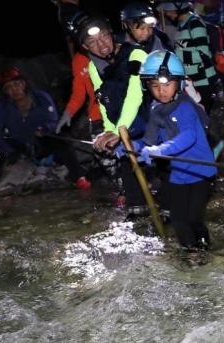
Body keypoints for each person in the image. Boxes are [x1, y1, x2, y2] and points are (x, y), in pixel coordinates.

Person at [136, 50, 217, 250]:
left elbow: (188, 137)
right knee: (178, 219)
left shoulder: (185, 107)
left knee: (193, 218)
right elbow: (149, 140)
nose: (161, 91)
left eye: (166, 84)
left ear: (179, 83)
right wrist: (130, 147)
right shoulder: (156, 110)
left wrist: (162, 150)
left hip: (200, 173)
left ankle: (204, 249)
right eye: (154, 86)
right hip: (178, 174)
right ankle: (190, 253)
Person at [78, 15, 151, 214]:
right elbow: (104, 101)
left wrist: (119, 131)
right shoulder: (95, 67)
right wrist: (109, 132)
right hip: (126, 129)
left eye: (103, 36)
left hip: (152, 126)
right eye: (92, 42)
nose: (100, 44)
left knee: (168, 180)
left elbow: (135, 95)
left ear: (112, 34)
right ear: (85, 47)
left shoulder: (136, 54)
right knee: (131, 185)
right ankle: (139, 214)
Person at [0, 66, 90, 189]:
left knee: (63, 141)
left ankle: (79, 177)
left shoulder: (41, 98)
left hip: (41, 142)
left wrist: (45, 128)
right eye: (9, 87)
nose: (14, 89)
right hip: (19, 146)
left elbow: (53, 121)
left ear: (24, 83)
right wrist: (9, 151)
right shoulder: (1, 106)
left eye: (17, 84)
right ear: (5, 91)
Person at [157, 1, 218, 114]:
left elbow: (203, 54)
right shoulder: (182, 25)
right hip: (191, 81)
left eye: (168, 11)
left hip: (203, 80)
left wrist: (178, 56)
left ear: (178, 8)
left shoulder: (195, 23)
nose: (167, 14)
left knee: (202, 116)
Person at [56, 10, 103, 137]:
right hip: (97, 115)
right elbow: (79, 93)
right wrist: (68, 112)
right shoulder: (79, 61)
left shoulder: (107, 46)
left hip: (122, 110)